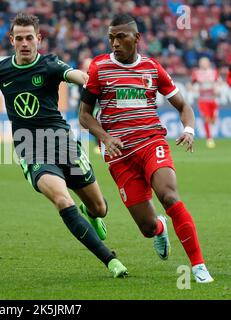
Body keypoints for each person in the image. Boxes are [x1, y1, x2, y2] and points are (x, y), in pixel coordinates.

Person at [0, 12, 128, 278]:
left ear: (39, 39)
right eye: (19, 38)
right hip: (30, 148)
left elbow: (75, 75)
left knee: (100, 208)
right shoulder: (0, 71)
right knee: (61, 199)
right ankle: (110, 260)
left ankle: (92, 214)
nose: (25, 43)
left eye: (29, 38)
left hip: (62, 142)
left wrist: (90, 80)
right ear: (11, 40)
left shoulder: (50, 65)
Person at [79, 14, 213, 283]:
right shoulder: (99, 68)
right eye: (111, 37)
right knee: (147, 227)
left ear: (137, 38)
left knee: (169, 196)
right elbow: (84, 115)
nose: (114, 43)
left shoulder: (152, 68)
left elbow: (184, 107)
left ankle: (198, 267)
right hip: (120, 156)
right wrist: (105, 138)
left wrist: (188, 129)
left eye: (121, 37)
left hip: (152, 142)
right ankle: (160, 227)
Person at [190, 57, 222, 148]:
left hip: (213, 100)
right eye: (202, 62)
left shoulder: (214, 72)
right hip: (203, 100)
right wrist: (192, 88)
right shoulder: (196, 73)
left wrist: (217, 89)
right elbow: (191, 85)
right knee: (206, 119)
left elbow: (220, 83)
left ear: (208, 63)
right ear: (199, 64)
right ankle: (209, 138)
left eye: (205, 62)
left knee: (213, 120)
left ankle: (210, 136)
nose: (203, 64)